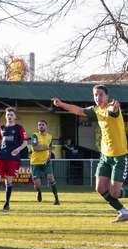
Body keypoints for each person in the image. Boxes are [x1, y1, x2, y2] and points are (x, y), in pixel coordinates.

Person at [53, 85, 128, 223]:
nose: (97, 97)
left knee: (115, 193)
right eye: (95, 95)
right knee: (100, 188)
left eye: (100, 94)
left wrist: (115, 107)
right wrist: (61, 104)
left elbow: (114, 110)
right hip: (105, 156)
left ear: (107, 96)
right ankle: (123, 212)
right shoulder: (96, 110)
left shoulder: (111, 109)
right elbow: (78, 110)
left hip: (119, 157)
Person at [0, 108, 28, 211]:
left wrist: (18, 149)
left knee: (8, 180)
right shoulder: (1, 128)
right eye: (8, 115)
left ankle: (7, 203)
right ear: (6, 116)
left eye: (11, 115)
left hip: (13, 158)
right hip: (1, 156)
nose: (9, 116)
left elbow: (25, 142)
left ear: (15, 116)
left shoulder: (19, 128)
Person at [29, 120, 60, 205]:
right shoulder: (35, 135)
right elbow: (35, 148)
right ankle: (39, 192)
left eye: (42, 125)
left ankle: (56, 199)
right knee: (37, 184)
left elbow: (50, 148)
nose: (41, 126)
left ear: (46, 126)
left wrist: (49, 155)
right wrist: (46, 147)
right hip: (35, 162)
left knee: (51, 178)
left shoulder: (50, 136)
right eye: (39, 125)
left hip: (45, 162)